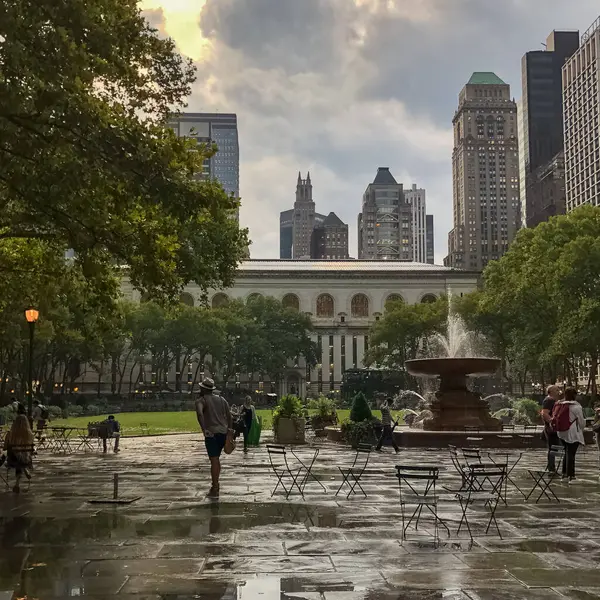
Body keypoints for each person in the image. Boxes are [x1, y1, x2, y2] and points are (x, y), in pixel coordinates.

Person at [195, 377, 232, 497]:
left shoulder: (201, 400)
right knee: (217, 460)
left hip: (212, 434)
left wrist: (204, 429)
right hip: (223, 433)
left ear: (203, 389)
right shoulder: (222, 399)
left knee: (214, 460)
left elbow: (200, 413)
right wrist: (230, 431)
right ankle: (216, 483)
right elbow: (229, 416)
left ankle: (215, 486)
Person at [554, 387, 585, 483]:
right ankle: (572, 476)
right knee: (571, 454)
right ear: (575, 395)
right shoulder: (576, 407)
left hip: (561, 432)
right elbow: (581, 423)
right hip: (572, 434)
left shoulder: (560, 405)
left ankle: (564, 475)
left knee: (566, 453)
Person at [2, 414, 34, 493]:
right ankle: (24, 472)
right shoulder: (30, 434)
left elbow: (5, 447)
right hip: (27, 459)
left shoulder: (10, 434)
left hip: (13, 459)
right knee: (21, 458)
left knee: (15, 456)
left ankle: (17, 483)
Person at [541, 384, 561, 472]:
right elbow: (544, 413)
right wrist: (551, 422)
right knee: (553, 448)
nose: (558, 391)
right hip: (551, 429)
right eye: (556, 390)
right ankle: (551, 469)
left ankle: (552, 467)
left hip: (551, 428)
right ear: (551, 392)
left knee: (554, 448)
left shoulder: (552, 400)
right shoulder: (549, 400)